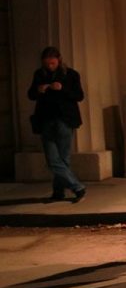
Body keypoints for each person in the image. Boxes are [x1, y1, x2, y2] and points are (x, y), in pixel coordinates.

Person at [27, 47, 87, 203]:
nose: (50, 67)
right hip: (46, 120)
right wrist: (39, 90)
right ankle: (77, 186)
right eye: (47, 64)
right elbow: (31, 95)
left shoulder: (71, 74)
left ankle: (58, 191)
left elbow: (79, 95)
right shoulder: (39, 74)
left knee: (63, 158)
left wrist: (62, 89)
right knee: (53, 159)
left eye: (52, 63)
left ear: (59, 60)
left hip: (65, 120)